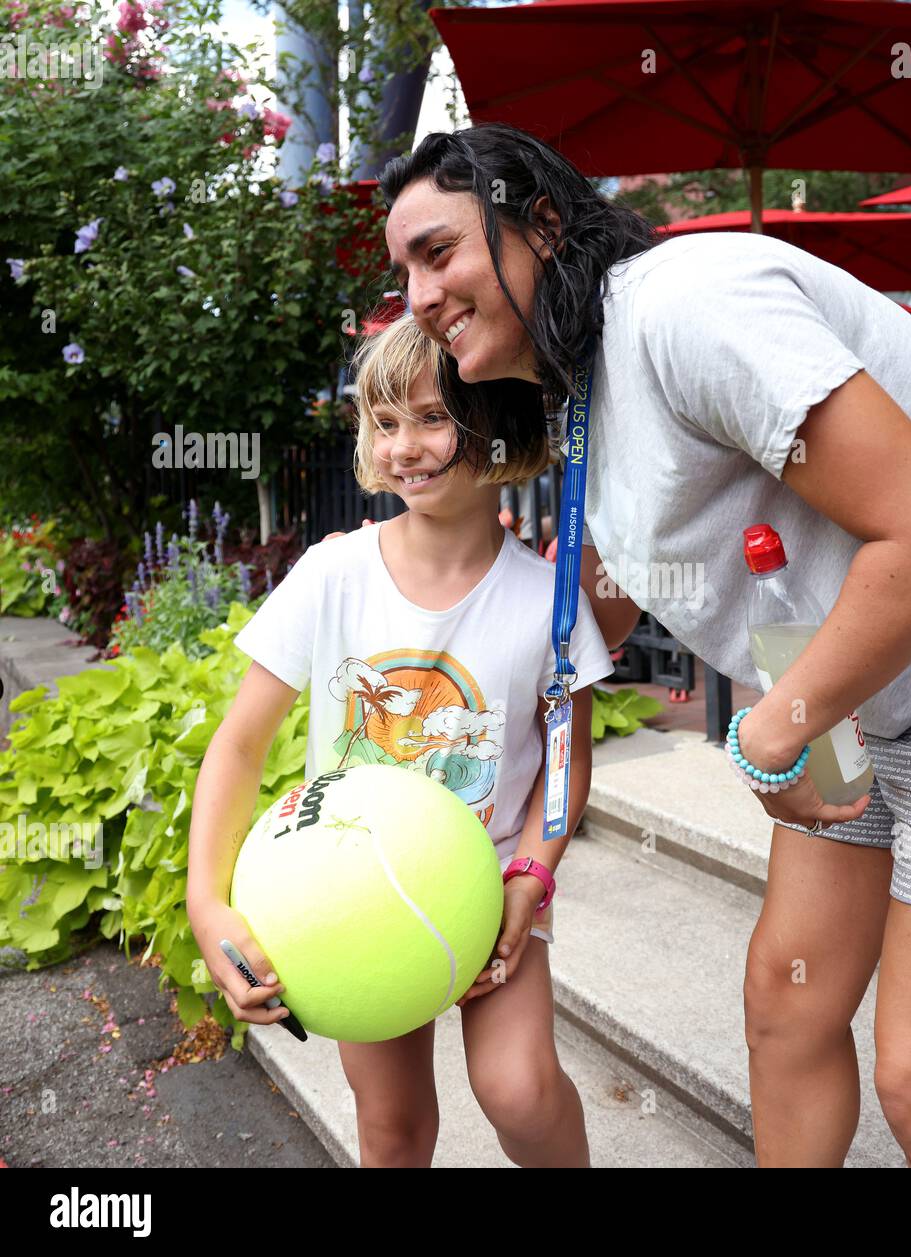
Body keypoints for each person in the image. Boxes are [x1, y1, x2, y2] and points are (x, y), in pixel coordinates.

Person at [371, 123, 911, 1169]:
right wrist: (436, 677)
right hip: (860, 679)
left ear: (543, 225)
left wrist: (772, 728)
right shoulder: (586, 390)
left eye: (438, 252)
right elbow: (599, 597)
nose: (418, 295)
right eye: (402, 272)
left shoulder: (691, 305)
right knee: (786, 1006)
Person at [186, 313, 614, 1168]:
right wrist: (209, 902)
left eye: (432, 417)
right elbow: (238, 745)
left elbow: (565, 765)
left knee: (520, 1091)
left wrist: (532, 873)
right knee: (391, 1126)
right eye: (385, 421)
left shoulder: (547, 604)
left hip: (492, 889)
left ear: (502, 430)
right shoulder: (331, 573)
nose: (403, 444)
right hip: (348, 898)